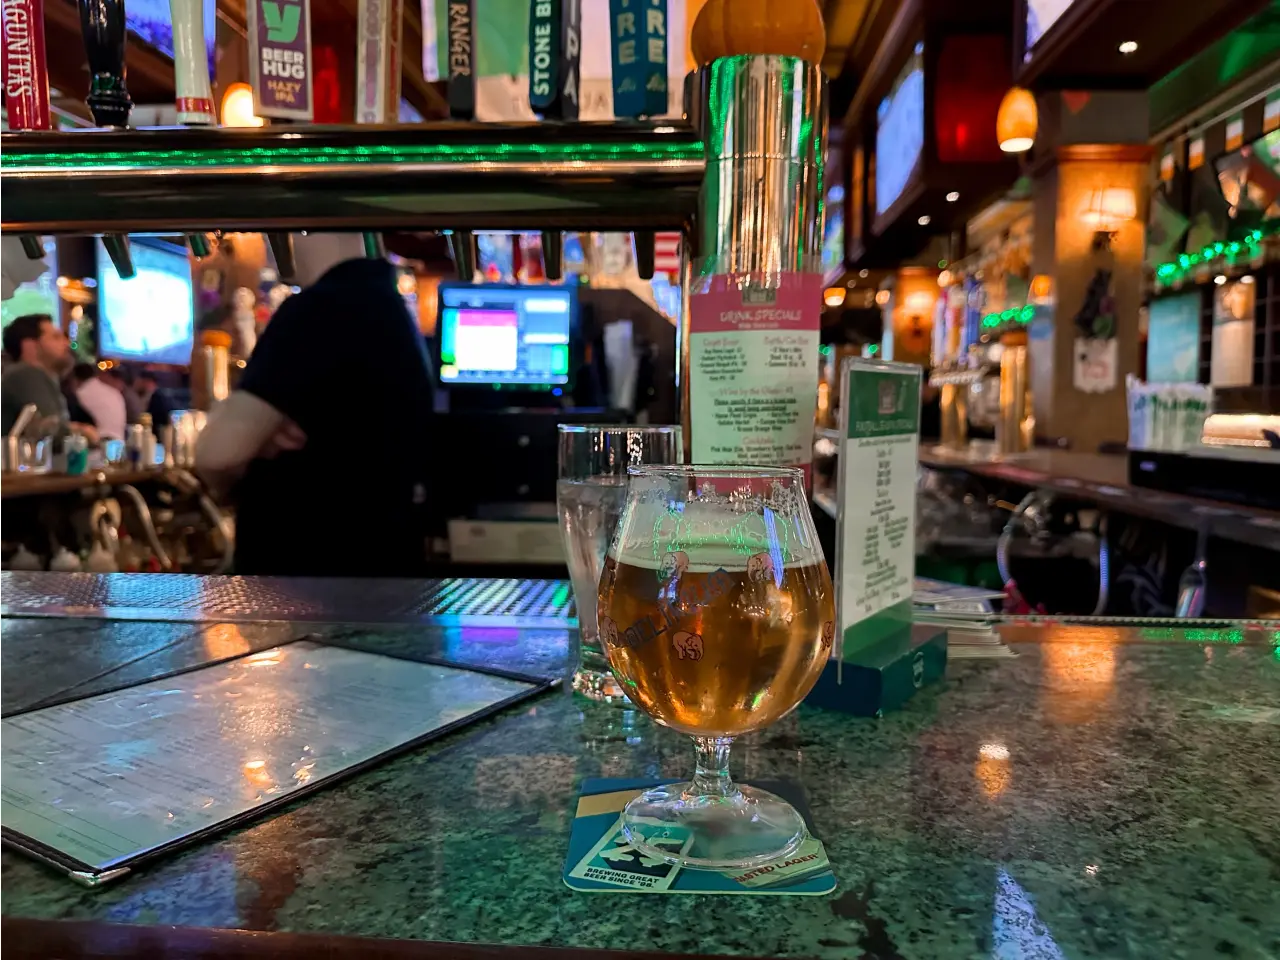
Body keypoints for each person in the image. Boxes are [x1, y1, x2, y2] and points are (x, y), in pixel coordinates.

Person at [196, 234, 436, 576]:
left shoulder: (323, 306)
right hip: (370, 575)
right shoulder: (386, 305)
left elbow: (216, 454)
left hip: (307, 591)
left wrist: (247, 441)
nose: (267, 244)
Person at [1, 313, 97, 443]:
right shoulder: (25, 374)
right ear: (30, 345)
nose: (66, 343)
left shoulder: (39, 377)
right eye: (56, 337)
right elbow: (50, 431)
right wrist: (83, 432)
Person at [70, 362, 128, 441]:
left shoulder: (81, 394)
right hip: (119, 445)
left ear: (75, 379)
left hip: (98, 445)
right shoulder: (115, 393)